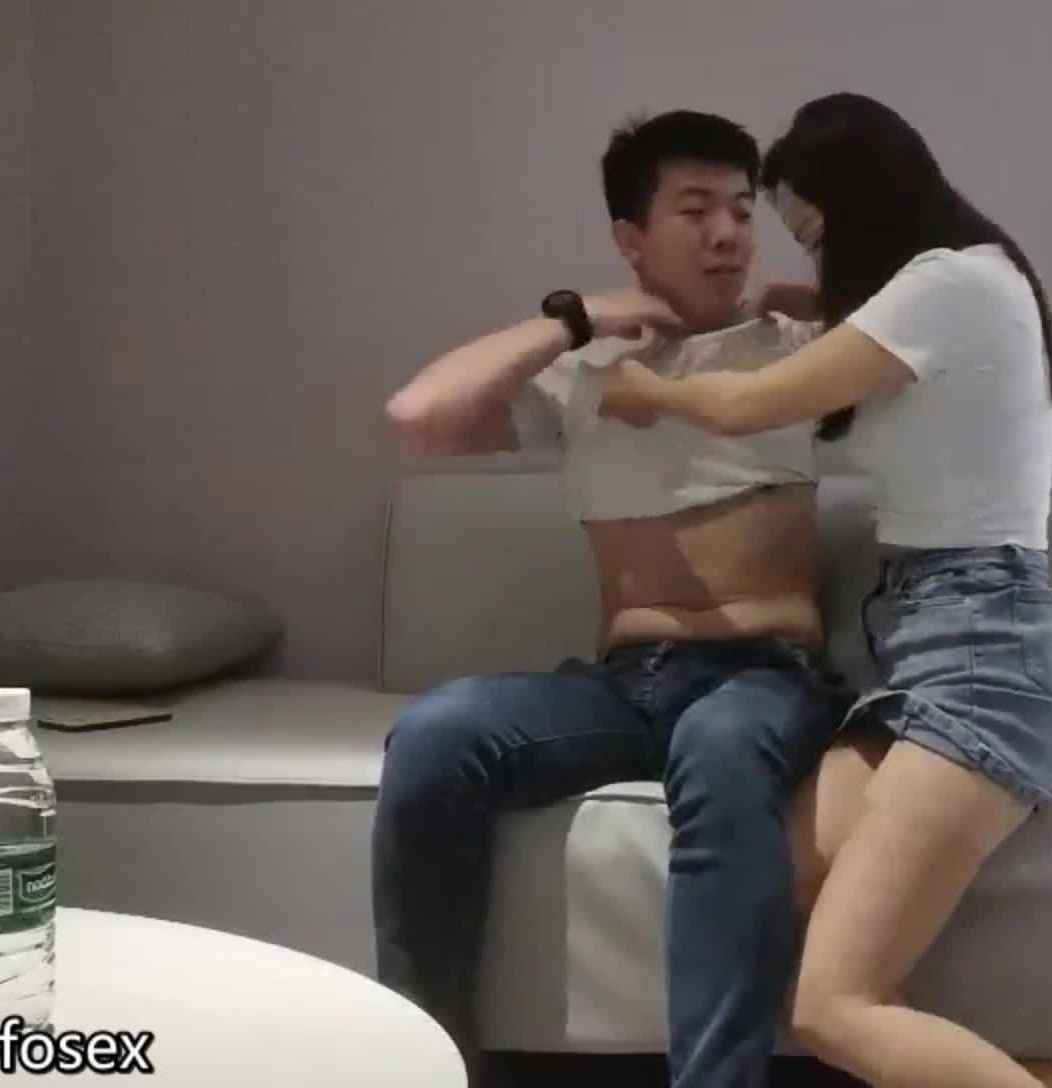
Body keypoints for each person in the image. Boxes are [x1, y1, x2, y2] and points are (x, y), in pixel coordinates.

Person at [597, 93, 1052, 1088]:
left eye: (819, 234)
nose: (813, 255)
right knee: (769, 890)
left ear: (867, 204)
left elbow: (749, 403)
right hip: (924, 647)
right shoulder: (958, 284)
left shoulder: (949, 282)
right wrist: (817, 307)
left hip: (980, 656)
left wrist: (653, 391)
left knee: (830, 1006)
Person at [373, 109, 851, 1088]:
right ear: (632, 238)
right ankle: (429, 1063)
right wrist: (575, 317)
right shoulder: (581, 373)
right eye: (695, 210)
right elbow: (421, 415)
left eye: (740, 210)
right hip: (624, 685)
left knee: (721, 747)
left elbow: (944, 350)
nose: (728, 234)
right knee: (434, 733)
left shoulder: (800, 350)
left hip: (763, 676)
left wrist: (833, 297)